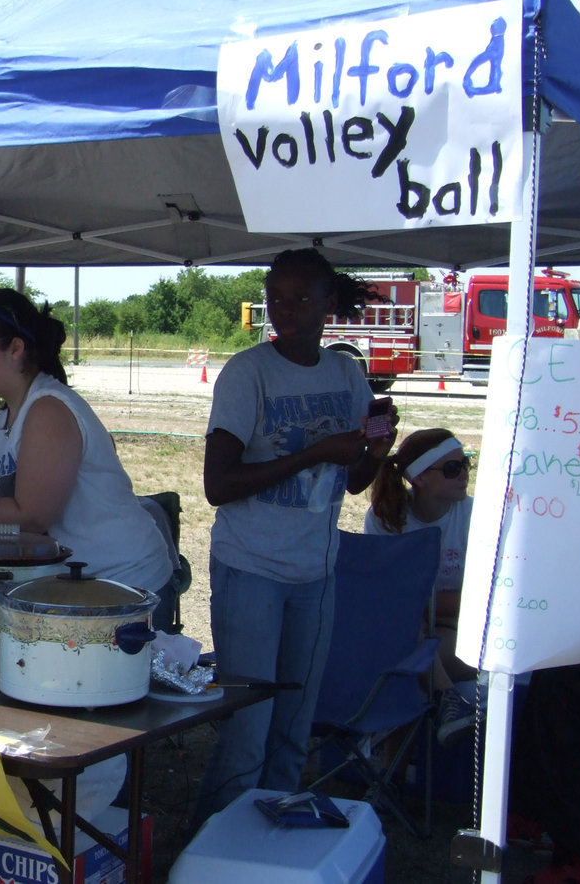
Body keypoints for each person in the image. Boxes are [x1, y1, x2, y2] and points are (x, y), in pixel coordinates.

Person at [193, 247, 396, 822]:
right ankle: (215, 847)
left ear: (329, 304)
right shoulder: (247, 373)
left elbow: (355, 481)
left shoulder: (345, 372)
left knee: (292, 728)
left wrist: (374, 449)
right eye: (276, 296)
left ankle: (269, 843)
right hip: (250, 570)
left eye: (301, 297)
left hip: (316, 574)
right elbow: (218, 484)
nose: (285, 309)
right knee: (248, 730)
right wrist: (314, 453)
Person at [0, 287, 175, 618]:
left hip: (122, 585)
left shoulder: (49, 410)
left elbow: (31, 518)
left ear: (15, 348)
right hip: (65, 588)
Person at [365, 427, 476, 746]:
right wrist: (439, 604)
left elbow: (484, 600)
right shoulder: (385, 517)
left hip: (459, 632)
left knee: (405, 664)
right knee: (405, 642)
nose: (464, 474)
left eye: (466, 463)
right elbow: (387, 598)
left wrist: (422, 604)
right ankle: (448, 702)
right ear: (420, 478)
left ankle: (386, 774)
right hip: (410, 630)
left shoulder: (473, 514)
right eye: (452, 468)